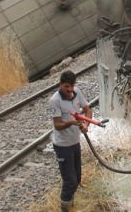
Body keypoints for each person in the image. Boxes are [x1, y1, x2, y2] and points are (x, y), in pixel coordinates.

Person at [49, 70, 92, 212]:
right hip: (62, 146)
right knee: (70, 181)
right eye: (66, 86)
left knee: (77, 179)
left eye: (72, 86)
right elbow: (57, 125)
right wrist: (71, 122)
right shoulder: (55, 100)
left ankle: (70, 204)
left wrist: (86, 125)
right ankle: (64, 209)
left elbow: (87, 110)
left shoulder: (77, 92)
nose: (69, 90)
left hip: (75, 142)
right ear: (60, 85)